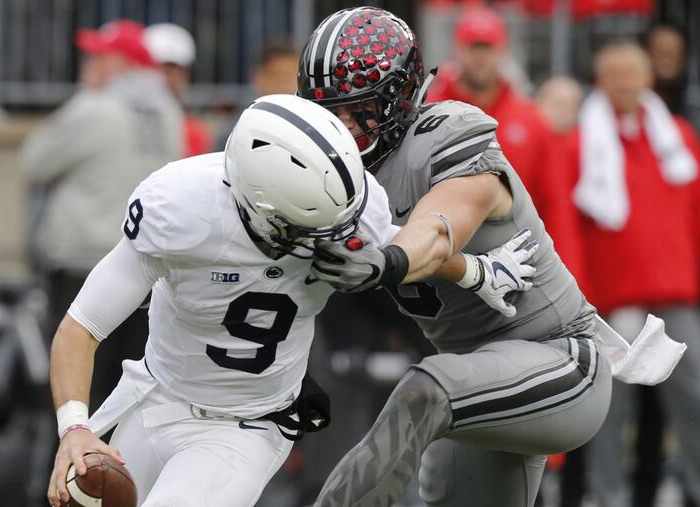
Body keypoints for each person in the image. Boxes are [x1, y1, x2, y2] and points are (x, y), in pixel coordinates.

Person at [44, 94, 536, 507]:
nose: (335, 237)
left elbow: (400, 245)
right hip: (155, 400)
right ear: (261, 207)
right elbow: (81, 327)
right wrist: (74, 429)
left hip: (246, 426)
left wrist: (477, 271)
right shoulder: (180, 209)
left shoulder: (352, 210)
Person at [297, 7, 682, 506]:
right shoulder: (328, 176)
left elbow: (437, 231)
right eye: (331, 110)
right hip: (476, 381)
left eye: (361, 108)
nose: (344, 127)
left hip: (560, 361)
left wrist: (388, 260)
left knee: (423, 390)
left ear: (401, 96)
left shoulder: (446, 132)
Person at [563, 40, 700, 507]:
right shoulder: (582, 141)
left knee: (693, 398)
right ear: (601, 80)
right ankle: (607, 497)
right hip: (612, 298)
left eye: (632, 73)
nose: (624, 83)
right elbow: (569, 224)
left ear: (648, 78)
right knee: (608, 411)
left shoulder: (676, 135)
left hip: (675, 293)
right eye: (615, 73)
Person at [22, 19, 183, 413]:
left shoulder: (94, 106)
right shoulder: (168, 111)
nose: (89, 63)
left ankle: (68, 472)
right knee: (126, 397)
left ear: (123, 64)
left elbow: (32, 162)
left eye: (99, 56)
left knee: (74, 393)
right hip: (146, 272)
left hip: (83, 266)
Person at [426, 5, 585, 280]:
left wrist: (569, 274)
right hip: (449, 262)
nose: (480, 58)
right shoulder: (432, 113)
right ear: (458, 50)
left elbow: (555, 203)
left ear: (502, 51)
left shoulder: (531, 120)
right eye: (472, 48)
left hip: (519, 263)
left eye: (487, 48)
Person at [215, 39, 301, 150]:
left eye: (291, 78)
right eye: (277, 77)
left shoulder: (311, 127)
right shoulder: (235, 132)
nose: (285, 86)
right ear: (258, 77)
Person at [144, 23, 212, 157]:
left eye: (177, 70)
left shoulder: (193, 132)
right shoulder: (117, 118)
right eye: (160, 68)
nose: (169, 78)